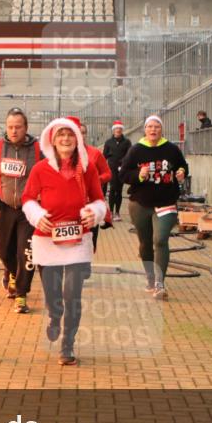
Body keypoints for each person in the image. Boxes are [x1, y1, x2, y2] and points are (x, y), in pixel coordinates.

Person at [22, 118, 107, 366]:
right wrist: (38, 216)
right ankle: (54, 315)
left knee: (72, 294)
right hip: (47, 242)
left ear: (77, 139)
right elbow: (28, 198)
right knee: (52, 295)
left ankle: (67, 345)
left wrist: (95, 212)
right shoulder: (40, 169)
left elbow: (99, 199)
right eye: (61, 135)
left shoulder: (87, 168)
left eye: (70, 135)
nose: (66, 139)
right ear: (52, 139)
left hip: (77, 241)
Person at [119, 115, 189, 300]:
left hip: (166, 201)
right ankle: (150, 278)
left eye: (157, 126)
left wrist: (182, 172)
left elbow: (183, 166)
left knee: (160, 240)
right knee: (145, 243)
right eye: (150, 126)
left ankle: (160, 284)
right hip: (140, 203)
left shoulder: (171, 149)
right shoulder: (136, 150)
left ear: (162, 130)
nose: (153, 130)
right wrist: (138, 175)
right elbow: (123, 175)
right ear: (145, 130)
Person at [0, 107, 43, 313]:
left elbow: (49, 175)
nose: (14, 131)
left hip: (29, 209)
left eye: (18, 127)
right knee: (2, 250)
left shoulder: (38, 150)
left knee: (26, 253)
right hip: (3, 207)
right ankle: (12, 273)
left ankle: (21, 295)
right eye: (10, 127)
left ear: (26, 127)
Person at [66, 117, 111, 249]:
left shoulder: (95, 153)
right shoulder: (63, 153)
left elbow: (108, 173)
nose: (81, 135)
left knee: (89, 243)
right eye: (77, 132)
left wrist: (96, 180)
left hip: (90, 205)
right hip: (69, 206)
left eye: (83, 132)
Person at [102, 119, 131, 222]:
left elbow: (129, 155)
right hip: (112, 169)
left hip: (122, 169)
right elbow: (104, 156)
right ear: (113, 130)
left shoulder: (127, 142)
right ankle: (110, 213)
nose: (118, 130)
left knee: (119, 191)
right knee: (112, 190)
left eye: (119, 129)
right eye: (116, 129)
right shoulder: (108, 142)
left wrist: (123, 162)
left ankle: (117, 213)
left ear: (122, 130)